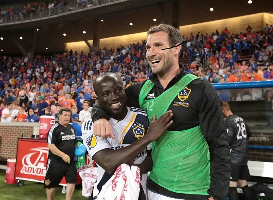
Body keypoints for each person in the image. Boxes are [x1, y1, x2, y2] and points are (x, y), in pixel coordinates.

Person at [92, 24, 230, 200]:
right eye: (148, 47)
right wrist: (99, 117)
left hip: (193, 191)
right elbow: (108, 101)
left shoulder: (200, 89)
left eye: (159, 45)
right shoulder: (142, 90)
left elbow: (219, 144)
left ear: (176, 49)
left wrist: (217, 194)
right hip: (154, 187)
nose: (151, 52)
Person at [82, 72, 173, 199]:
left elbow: (152, 157)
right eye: (106, 94)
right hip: (106, 194)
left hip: (139, 193)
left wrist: (132, 172)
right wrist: (147, 138)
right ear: (98, 98)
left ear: (125, 90)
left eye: (118, 90)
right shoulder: (92, 125)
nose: (114, 97)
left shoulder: (143, 117)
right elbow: (108, 163)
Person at [221, 101, 253, 200]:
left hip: (234, 158)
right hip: (243, 157)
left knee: (232, 185)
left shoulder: (229, 122)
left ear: (224, 110)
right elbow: (249, 134)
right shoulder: (241, 119)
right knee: (243, 183)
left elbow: (228, 139)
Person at [44, 107, 77, 200]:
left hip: (70, 161)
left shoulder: (71, 127)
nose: (67, 117)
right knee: (50, 185)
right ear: (59, 116)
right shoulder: (54, 129)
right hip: (56, 162)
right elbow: (50, 146)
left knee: (72, 182)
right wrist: (63, 155)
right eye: (65, 115)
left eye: (69, 116)